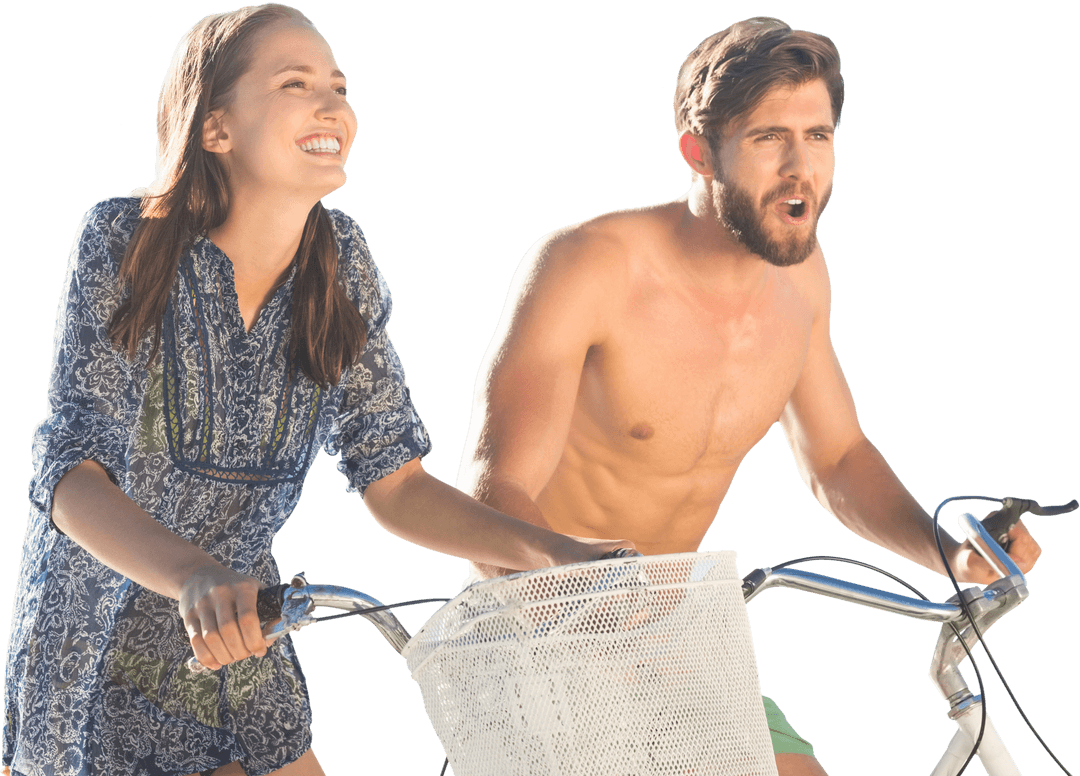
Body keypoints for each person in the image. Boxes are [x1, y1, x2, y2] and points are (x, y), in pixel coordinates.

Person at [1, 5, 634, 776]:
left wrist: (551, 551)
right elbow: (70, 476)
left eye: (339, 85)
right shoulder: (123, 241)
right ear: (216, 128)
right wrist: (195, 576)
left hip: (245, 636)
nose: (333, 105)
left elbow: (395, 481)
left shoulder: (344, 264)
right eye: (295, 84)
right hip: (93, 644)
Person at [454, 17, 1042, 776]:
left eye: (819, 136)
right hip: (535, 646)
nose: (801, 167)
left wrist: (951, 555)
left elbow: (836, 457)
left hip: (676, 643)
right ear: (699, 153)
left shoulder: (801, 280)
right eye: (769, 138)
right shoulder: (586, 268)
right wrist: (585, 605)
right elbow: (492, 490)